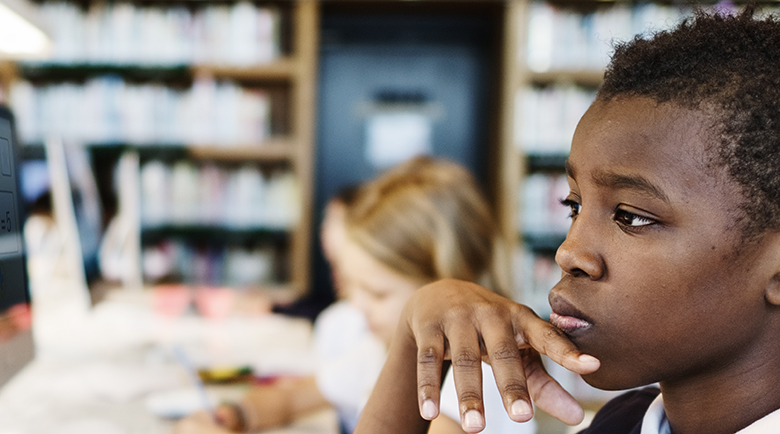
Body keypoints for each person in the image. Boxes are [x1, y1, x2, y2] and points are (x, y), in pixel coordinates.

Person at [356, 9, 780, 434]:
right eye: (573, 206)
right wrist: (414, 338)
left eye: (630, 217)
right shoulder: (622, 421)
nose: (568, 253)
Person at [177, 157, 530, 434]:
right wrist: (235, 415)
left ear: (446, 290)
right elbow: (290, 399)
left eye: (376, 294)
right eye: (351, 286)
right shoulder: (380, 349)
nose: (356, 306)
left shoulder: (473, 374)